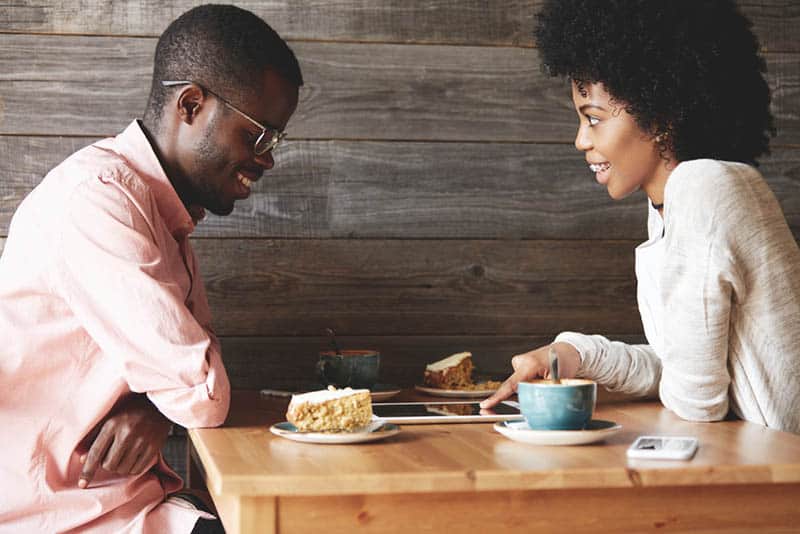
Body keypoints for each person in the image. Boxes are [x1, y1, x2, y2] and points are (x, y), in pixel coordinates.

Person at [0, 4, 302, 532]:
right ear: (191, 105)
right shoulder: (99, 202)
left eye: (275, 140)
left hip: (129, 502)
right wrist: (170, 402)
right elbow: (202, 392)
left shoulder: (163, 212)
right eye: (258, 134)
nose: (268, 158)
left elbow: (195, 365)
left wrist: (156, 408)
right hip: (65, 516)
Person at [481, 0, 800, 434]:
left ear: (661, 117)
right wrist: (571, 353)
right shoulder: (671, 203)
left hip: (779, 473)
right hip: (752, 457)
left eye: (593, 119)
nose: (579, 140)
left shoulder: (704, 188)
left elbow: (696, 401)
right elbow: (680, 367)